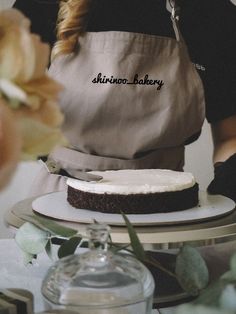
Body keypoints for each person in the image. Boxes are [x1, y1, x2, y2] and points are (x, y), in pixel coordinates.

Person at [13, 0, 236, 202]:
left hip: (166, 211)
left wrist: (223, 201)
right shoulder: (42, 5)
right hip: (61, 205)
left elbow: (230, 137)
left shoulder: (211, 12)